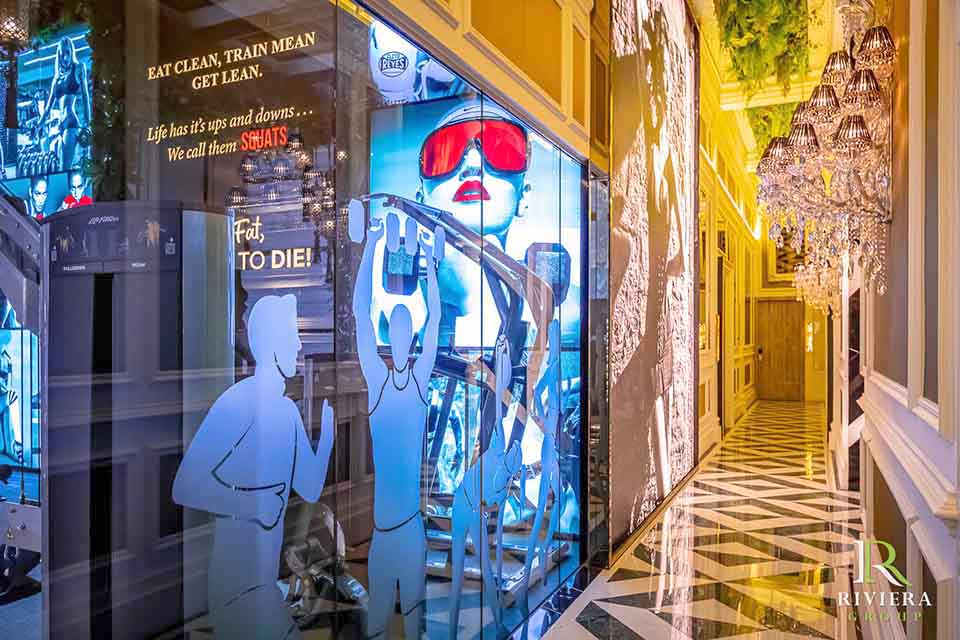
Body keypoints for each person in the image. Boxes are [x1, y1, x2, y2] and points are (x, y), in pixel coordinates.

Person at [172, 294, 335, 640]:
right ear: (273, 344)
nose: (299, 346)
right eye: (292, 336)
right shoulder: (239, 401)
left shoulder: (287, 412)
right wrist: (252, 502)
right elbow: (185, 485)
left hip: (262, 583)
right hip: (237, 587)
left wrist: (327, 439)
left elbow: (309, 488)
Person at [352, 212, 441, 639]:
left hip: (410, 530)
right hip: (381, 535)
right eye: (397, 329)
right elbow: (359, 314)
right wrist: (370, 246)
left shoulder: (420, 381)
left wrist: (430, 265)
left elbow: (436, 319)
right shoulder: (378, 382)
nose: (403, 337)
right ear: (391, 335)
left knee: (414, 625)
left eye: (409, 330)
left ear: (413, 337)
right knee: (378, 624)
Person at [36, 35, 91, 172]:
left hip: (71, 122)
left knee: (65, 168)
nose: (65, 57)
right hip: (60, 126)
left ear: (72, 52)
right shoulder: (56, 78)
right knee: (60, 167)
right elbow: (48, 108)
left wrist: (88, 123)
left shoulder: (79, 68)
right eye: (62, 54)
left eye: (67, 53)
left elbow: (85, 97)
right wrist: (38, 125)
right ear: (59, 56)